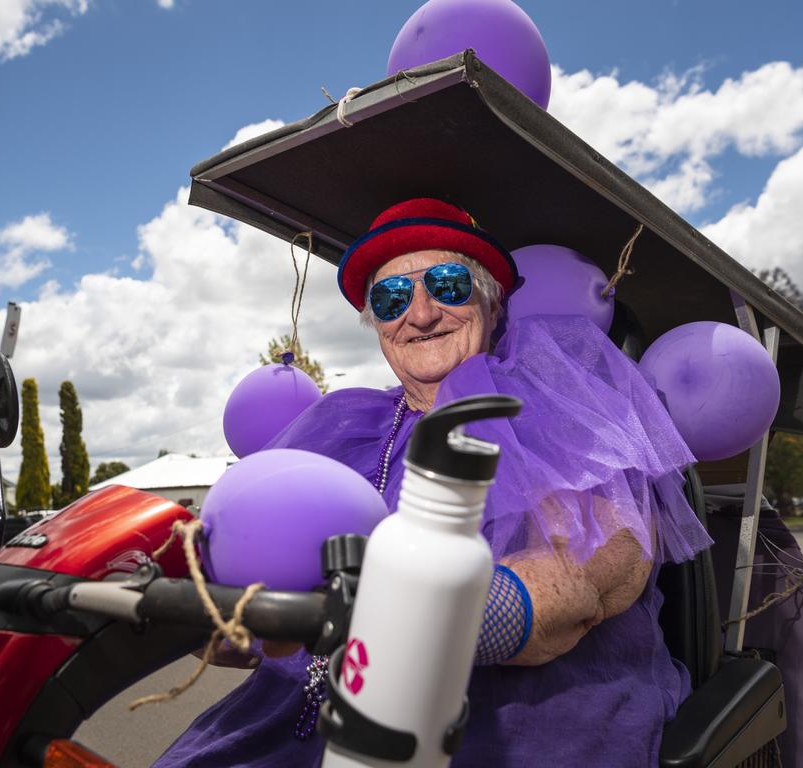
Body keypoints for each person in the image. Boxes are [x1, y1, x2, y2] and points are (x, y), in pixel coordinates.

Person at [154, 197, 713, 767]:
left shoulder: (553, 398)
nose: (419, 314)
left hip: (510, 719)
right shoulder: (337, 426)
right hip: (299, 716)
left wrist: (431, 619)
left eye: (447, 285)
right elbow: (240, 585)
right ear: (377, 324)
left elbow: (589, 573)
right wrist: (206, 609)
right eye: (392, 298)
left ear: (491, 304)